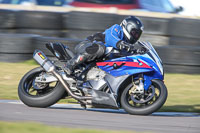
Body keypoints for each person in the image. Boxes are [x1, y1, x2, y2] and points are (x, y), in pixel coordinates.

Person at [64, 16, 146, 75]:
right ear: (127, 27)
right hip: (87, 46)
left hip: (97, 61)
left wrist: (138, 52)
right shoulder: (117, 29)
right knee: (101, 48)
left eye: (137, 35)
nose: (135, 36)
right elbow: (110, 37)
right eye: (134, 33)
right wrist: (120, 44)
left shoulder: (126, 45)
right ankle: (70, 64)